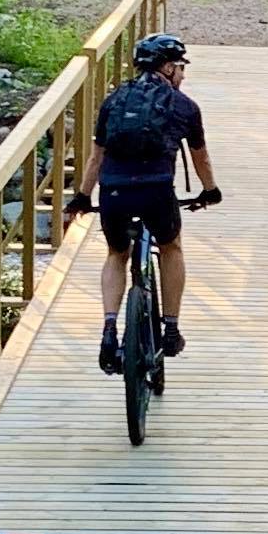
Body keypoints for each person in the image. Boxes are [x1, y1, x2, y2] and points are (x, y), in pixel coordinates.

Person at [64, 33, 221, 373]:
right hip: (157, 191)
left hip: (114, 192)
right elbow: (201, 158)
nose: (183, 74)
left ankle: (108, 328)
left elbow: (96, 158)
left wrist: (82, 197)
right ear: (167, 67)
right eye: (180, 67)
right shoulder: (184, 106)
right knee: (171, 247)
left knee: (116, 254)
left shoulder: (114, 101)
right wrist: (210, 191)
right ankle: (172, 327)